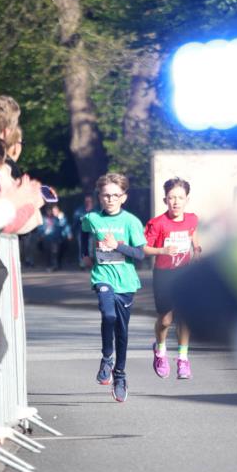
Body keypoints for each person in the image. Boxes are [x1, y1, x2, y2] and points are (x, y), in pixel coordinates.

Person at [80, 172, 147, 403]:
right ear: (99, 196)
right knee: (108, 315)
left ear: (123, 197)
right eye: (106, 195)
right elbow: (83, 230)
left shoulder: (131, 221)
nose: (110, 199)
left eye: (115, 195)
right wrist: (84, 254)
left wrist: (116, 245)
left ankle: (120, 374)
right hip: (103, 278)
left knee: (122, 331)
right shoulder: (92, 218)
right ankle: (107, 357)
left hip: (126, 283)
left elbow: (140, 254)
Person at [144, 178, 201, 380]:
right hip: (164, 275)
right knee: (166, 320)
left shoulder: (192, 219)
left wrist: (196, 249)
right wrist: (163, 250)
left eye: (180, 198)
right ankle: (160, 350)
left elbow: (192, 233)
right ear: (165, 200)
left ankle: (183, 359)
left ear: (187, 200)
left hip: (185, 274)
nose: (176, 202)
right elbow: (144, 248)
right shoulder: (157, 223)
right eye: (171, 198)